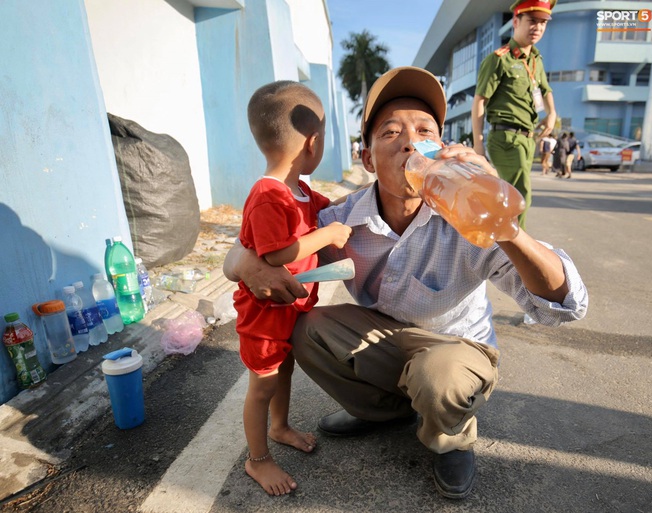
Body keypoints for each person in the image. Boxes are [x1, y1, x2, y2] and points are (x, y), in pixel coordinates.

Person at [224, 66, 588, 500]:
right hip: (391, 339)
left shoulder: (470, 216)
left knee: (440, 376)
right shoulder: (342, 219)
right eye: (391, 132)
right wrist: (246, 266)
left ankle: (450, 437)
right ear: (367, 158)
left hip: (456, 349)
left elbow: (564, 304)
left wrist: (508, 227)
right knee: (307, 328)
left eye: (424, 131)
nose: (411, 143)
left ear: (441, 148)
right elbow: (253, 246)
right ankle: (388, 412)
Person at [236, 80, 352, 496]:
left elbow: (333, 210)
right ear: (313, 142)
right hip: (263, 317)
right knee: (261, 385)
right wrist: (328, 236)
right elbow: (274, 255)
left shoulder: (300, 191)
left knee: (285, 371)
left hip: (289, 310)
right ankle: (257, 459)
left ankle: (280, 426)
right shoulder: (268, 195)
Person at [472, 0, 557, 229]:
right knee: (520, 196)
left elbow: (545, 90)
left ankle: (499, 244)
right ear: (516, 21)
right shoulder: (499, 59)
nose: (537, 27)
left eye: (542, 23)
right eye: (532, 21)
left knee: (510, 196)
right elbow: (480, 100)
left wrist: (551, 114)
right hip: (506, 138)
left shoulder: (535, 60)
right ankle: (514, 252)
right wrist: (478, 143)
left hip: (527, 139)